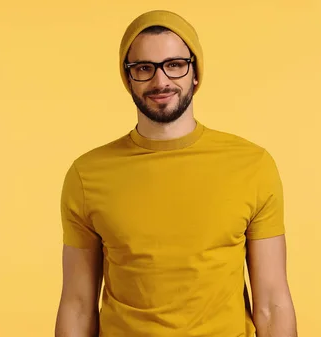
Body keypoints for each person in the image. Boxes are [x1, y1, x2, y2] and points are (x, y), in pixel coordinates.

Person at [55, 9, 297, 337]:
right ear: (128, 78)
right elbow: (78, 304)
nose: (160, 81)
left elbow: (271, 303)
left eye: (174, 65)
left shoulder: (252, 166)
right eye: (144, 68)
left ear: (195, 73)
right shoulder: (87, 174)